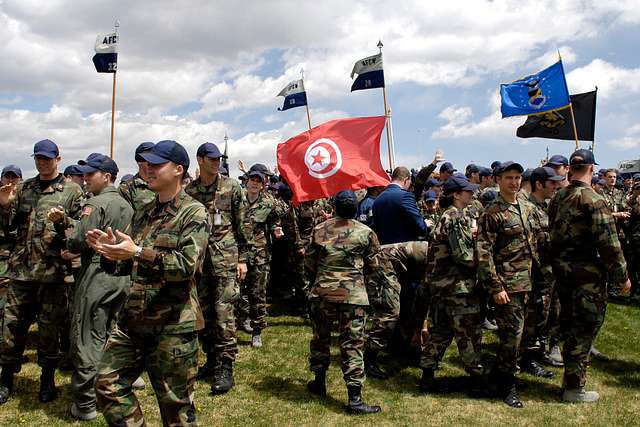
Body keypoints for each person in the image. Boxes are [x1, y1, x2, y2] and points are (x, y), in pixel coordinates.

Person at [88, 140, 210, 425]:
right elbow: (128, 263)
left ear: (178, 170)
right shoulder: (144, 211)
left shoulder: (194, 213)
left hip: (173, 326)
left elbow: (185, 267)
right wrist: (110, 252)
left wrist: (139, 252)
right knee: (107, 384)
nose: (148, 169)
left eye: (156, 164)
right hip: (134, 321)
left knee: (175, 409)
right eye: (145, 164)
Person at [48, 153, 133, 421]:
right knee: (112, 333)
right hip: (121, 274)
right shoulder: (127, 205)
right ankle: (113, 385)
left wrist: (66, 231)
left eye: (91, 174)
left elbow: (76, 243)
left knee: (87, 336)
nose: (85, 179)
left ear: (106, 176)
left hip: (96, 274)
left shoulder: (95, 204)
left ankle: (85, 401)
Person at [0, 139, 83, 404]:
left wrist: (64, 221)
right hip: (22, 271)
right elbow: (9, 228)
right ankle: (5, 379)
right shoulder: (24, 189)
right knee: (12, 326)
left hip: (53, 273)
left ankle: (46, 380)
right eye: (38, 158)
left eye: (47, 158)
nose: (42, 162)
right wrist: (4, 206)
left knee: (49, 331)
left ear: (58, 159)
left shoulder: (71, 191)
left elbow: (79, 231)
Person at [548, 149, 630, 403]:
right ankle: (574, 388)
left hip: (562, 273)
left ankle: (570, 383)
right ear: (592, 169)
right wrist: (622, 277)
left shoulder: (558, 197)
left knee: (569, 327)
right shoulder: (593, 199)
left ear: (571, 169)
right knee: (583, 330)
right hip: (587, 277)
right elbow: (609, 244)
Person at [305, 189, 381, 415]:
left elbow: (309, 261)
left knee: (320, 339)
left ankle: (319, 381)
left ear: (335, 207)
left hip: (322, 293)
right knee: (353, 344)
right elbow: (373, 266)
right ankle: (354, 399)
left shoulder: (319, 229)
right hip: (353, 296)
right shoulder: (366, 232)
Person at [185, 142, 251, 394]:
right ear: (200, 160)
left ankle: (225, 366)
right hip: (200, 263)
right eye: (211, 159)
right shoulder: (190, 191)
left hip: (226, 260)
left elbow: (243, 224)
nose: (217, 162)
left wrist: (243, 258)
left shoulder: (232, 187)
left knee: (224, 314)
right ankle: (211, 358)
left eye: (219, 159)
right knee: (204, 314)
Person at [477, 161, 543, 408]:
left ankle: (499, 377)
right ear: (498, 180)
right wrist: (495, 287)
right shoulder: (492, 212)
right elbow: (484, 253)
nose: (514, 182)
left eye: (517, 177)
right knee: (510, 338)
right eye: (509, 178)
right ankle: (507, 386)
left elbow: (536, 239)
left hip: (529, 281)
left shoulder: (525, 206)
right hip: (508, 285)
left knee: (522, 334)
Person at [419, 175, 485, 396]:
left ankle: (427, 376)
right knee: (468, 333)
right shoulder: (455, 218)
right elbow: (464, 256)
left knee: (440, 332)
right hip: (457, 288)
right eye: (467, 191)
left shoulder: (450, 216)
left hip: (442, 286)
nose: (472, 194)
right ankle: (476, 379)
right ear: (456, 194)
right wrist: (485, 257)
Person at [519, 167, 564, 377]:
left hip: (549, 273)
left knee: (546, 316)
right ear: (539, 184)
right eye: (552, 183)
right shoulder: (528, 208)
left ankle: (537, 352)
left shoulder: (547, 206)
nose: (556, 186)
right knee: (533, 317)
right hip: (536, 274)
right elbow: (535, 244)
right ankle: (526, 358)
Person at [238, 168, 284, 348]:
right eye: (252, 180)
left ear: (263, 184)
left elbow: (274, 220)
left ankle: (257, 331)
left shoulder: (268, 203)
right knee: (238, 292)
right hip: (239, 254)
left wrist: (276, 228)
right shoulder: (238, 200)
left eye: (258, 181)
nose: (255, 183)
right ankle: (243, 320)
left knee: (258, 293)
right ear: (247, 181)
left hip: (259, 255)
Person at [372, 166, 428, 244]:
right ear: (406, 180)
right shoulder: (405, 196)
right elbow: (420, 227)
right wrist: (425, 224)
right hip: (404, 250)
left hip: (385, 251)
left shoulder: (377, 200)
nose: (409, 186)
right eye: (410, 183)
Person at [0, 166, 21, 334]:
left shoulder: (25, 200)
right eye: (7, 177)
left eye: (14, 177)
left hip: (19, 260)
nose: (10, 180)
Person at [118, 142, 156, 211]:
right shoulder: (125, 189)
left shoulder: (163, 184)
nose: (153, 162)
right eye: (148, 158)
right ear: (139, 162)